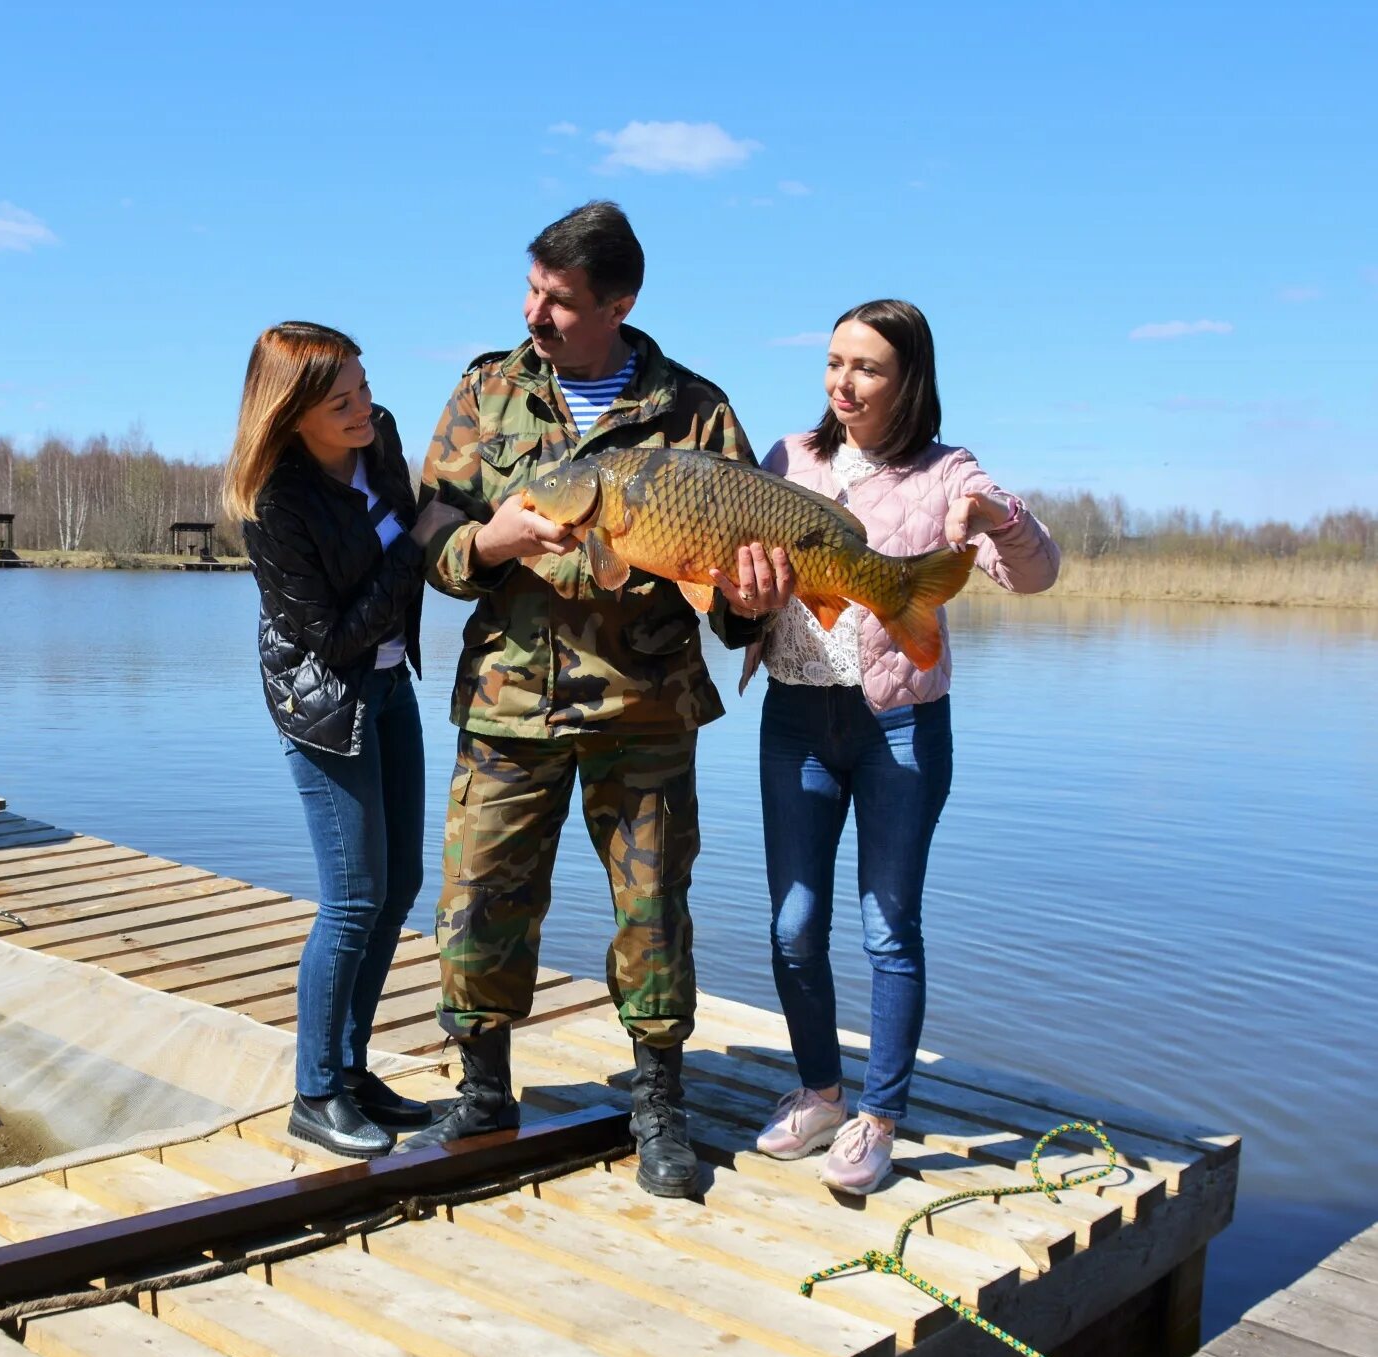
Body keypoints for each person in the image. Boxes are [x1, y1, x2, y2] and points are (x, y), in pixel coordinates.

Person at [397, 201, 793, 1197]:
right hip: (507, 701)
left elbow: (737, 596)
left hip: (646, 710)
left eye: (561, 300)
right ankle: (483, 1094)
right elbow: (432, 531)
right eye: (530, 289)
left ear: (619, 302)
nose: (536, 312)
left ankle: (661, 1103)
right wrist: (490, 544)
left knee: (654, 911)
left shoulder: (696, 409)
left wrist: (749, 602)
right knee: (478, 901)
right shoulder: (487, 389)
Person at [747, 299, 1059, 1194]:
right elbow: (740, 587)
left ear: (908, 379)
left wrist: (997, 514)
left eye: (867, 367)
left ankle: (878, 1115)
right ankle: (819, 1090)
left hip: (900, 723)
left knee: (889, 925)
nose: (843, 382)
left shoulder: (945, 472)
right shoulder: (787, 459)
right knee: (793, 924)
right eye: (834, 361)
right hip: (796, 716)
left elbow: (1036, 576)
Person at [226, 321, 463, 1158]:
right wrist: (419, 542)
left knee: (400, 885)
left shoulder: (381, 434)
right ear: (293, 413)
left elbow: (408, 526)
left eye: (363, 386)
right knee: (354, 896)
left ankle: (353, 1073)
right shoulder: (275, 505)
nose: (365, 407)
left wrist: (426, 533)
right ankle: (314, 1091)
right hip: (324, 702)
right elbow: (332, 637)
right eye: (343, 400)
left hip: (392, 683)